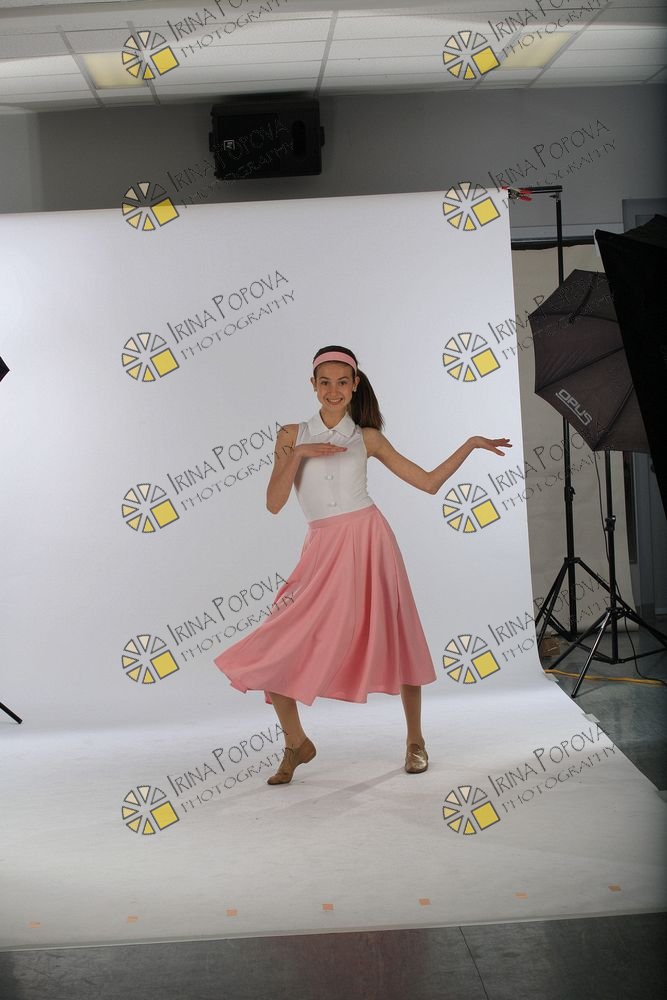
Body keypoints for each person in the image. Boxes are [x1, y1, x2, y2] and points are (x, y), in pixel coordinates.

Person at [214, 346, 511, 786]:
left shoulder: (367, 438)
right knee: (279, 638)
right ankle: (296, 743)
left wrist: (469, 444)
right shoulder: (291, 434)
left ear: (355, 385)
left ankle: (415, 741)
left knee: (399, 635)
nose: (333, 391)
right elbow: (274, 503)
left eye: (342, 382)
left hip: (371, 542)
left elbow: (428, 483)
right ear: (313, 385)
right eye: (325, 382)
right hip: (323, 548)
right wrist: (299, 453)